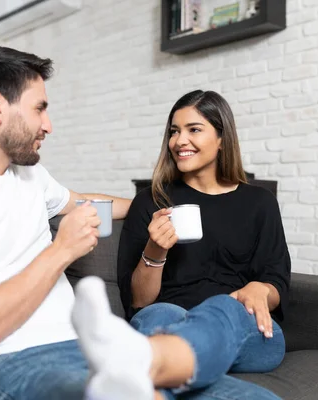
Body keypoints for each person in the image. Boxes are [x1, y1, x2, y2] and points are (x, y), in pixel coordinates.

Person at [0, 44, 282, 400]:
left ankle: (146, 359)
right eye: (39, 108)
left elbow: (84, 202)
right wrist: (61, 251)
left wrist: (154, 203)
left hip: (90, 349)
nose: (48, 125)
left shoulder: (29, 178)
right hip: (13, 361)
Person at [117, 90, 292, 399]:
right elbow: (139, 302)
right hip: (168, 315)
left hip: (244, 325)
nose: (179, 141)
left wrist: (260, 289)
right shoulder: (151, 202)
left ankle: (136, 367)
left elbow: (277, 282)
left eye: (194, 129)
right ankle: (160, 373)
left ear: (222, 138)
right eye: (174, 132)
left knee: (224, 305)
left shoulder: (259, 202)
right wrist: (155, 251)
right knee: (157, 316)